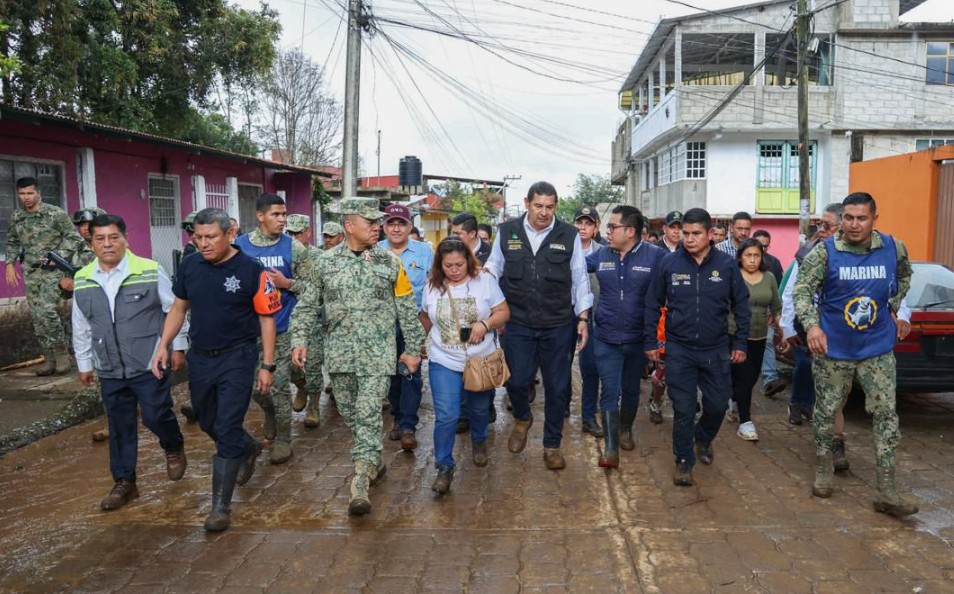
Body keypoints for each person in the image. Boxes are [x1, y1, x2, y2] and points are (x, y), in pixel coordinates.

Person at [291, 198, 424, 516]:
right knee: (352, 414)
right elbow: (308, 304)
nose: (378, 227)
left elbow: (407, 308)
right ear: (350, 226)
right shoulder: (324, 263)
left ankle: (360, 480)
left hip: (378, 355)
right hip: (339, 356)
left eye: (378, 222)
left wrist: (413, 349)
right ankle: (373, 460)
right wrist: (299, 339)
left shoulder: (390, 263)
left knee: (367, 415)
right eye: (371, 222)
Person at [151, 207, 281, 532]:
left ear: (229, 235)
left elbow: (267, 319)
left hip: (238, 357)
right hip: (201, 357)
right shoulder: (190, 264)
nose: (204, 243)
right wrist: (163, 344)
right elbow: (179, 307)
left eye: (211, 237)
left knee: (226, 425)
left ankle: (220, 507)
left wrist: (267, 364)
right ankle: (247, 446)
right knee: (207, 420)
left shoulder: (252, 271)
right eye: (198, 237)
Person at [794, 192, 918, 517]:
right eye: (848, 217)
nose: (853, 224)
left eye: (861, 218)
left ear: (874, 218)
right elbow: (802, 291)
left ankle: (887, 489)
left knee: (886, 416)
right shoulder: (826, 252)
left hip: (877, 348)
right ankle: (824, 469)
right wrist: (811, 327)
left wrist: (895, 305)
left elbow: (904, 275)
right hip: (833, 348)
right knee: (825, 411)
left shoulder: (893, 247)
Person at [72, 214, 189, 510]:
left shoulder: (149, 270)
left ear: (125, 239)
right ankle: (125, 482)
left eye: (114, 237)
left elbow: (173, 309)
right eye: (100, 239)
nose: (107, 244)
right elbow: (81, 325)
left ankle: (173, 445)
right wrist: (84, 362)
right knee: (120, 425)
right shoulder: (83, 278)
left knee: (155, 415)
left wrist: (178, 346)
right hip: (109, 366)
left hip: (149, 362)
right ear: (92, 243)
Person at [486, 181, 593, 470]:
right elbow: (494, 268)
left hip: (558, 323)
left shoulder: (568, 234)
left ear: (555, 206)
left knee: (558, 387)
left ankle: (552, 445)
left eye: (549, 206)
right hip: (518, 322)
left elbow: (580, 278)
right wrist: (491, 305)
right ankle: (522, 417)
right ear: (527, 203)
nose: (544, 212)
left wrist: (582, 317)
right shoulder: (507, 232)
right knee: (517, 381)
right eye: (538, 206)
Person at [645, 208, 750, 487]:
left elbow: (741, 305)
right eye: (685, 233)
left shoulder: (726, 265)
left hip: (715, 349)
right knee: (684, 407)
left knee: (717, 405)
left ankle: (702, 438)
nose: (688, 239)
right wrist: (650, 342)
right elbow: (652, 304)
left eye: (696, 234)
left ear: (710, 234)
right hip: (680, 349)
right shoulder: (669, 264)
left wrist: (740, 342)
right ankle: (682, 460)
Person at [420, 238, 510, 493]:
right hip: (443, 360)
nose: (455, 270)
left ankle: (479, 441)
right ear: (440, 265)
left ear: (468, 262)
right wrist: (426, 340)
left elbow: (503, 312)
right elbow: (425, 315)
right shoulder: (432, 287)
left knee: (479, 410)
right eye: (448, 266)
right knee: (447, 415)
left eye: (459, 264)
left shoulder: (484, 282)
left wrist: (484, 325)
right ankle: (444, 466)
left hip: (479, 359)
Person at [586, 205, 664, 468]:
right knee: (609, 390)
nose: (608, 232)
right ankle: (610, 449)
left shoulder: (655, 257)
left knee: (631, 390)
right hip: (606, 337)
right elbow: (572, 269)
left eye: (612, 227)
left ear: (630, 231)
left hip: (638, 339)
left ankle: (625, 429)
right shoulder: (600, 255)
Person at [234, 193, 309, 464]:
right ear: (261, 216)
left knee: (277, 385)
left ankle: (285, 439)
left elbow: (313, 287)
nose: (282, 220)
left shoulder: (294, 247)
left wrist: (287, 284)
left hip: (283, 325)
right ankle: (270, 412)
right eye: (276, 215)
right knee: (254, 388)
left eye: (284, 214)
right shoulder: (239, 246)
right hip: (248, 328)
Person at [4, 177, 85, 376]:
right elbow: (13, 241)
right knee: (37, 315)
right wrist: (9, 264)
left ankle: (61, 354)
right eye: (22, 194)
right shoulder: (17, 216)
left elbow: (73, 238)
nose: (26, 198)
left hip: (53, 272)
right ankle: (49, 359)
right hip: (31, 272)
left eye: (30, 193)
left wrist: (57, 257)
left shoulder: (54, 213)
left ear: (38, 192)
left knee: (47, 311)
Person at [378, 204, 433, 451]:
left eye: (401, 223)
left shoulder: (425, 253)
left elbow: (434, 289)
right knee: (391, 376)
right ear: (383, 227)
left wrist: (426, 325)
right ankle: (398, 418)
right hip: (382, 326)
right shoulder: (373, 252)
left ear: (410, 227)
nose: (396, 228)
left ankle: (408, 425)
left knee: (410, 373)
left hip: (414, 323)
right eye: (391, 223)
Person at [729, 238, 786, 441]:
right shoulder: (733, 276)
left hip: (760, 335)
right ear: (740, 257)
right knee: (744, 379)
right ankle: (745, 422)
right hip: (735, 334)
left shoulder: (769, 277)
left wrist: (783, 330)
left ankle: (734, 399)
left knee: (752, 378)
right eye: (748, 255)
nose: (752, 260)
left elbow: (776, 307)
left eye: (756, 256)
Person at [451, 211, 496, 430]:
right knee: (460, 365)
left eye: (458, 234)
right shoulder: (450, 252)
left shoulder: (491, 254)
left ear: (472, 233)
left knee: (485, 365)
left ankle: (486, 406)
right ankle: (463, 414)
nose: (454, 238)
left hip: (486, 321)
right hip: (457, 319)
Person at [285, 214, 325, 429]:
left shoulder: (318, 257)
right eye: (289, 233)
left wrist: (289, 283)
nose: (293, 237)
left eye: (297, 233)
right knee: (288, 366)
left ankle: (314, 405)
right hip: (285, 317)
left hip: (312, 319)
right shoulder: (281, 252)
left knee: (313, 364)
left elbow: (317, 291)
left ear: (307, 232)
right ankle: (301, 386)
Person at [572, 206, 605, 437]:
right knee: (561, 366)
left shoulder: (604, 252)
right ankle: (562, 405)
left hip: (595, 316)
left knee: (591, 367)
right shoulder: (564, 251)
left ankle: (588, 416)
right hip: (566, 316)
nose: (583, 227)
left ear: (596, 228)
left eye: (588, 223)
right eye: (579, 222)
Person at [752, 229, 787, 399]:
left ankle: (770, 380)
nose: (763, 250)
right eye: (760, 246)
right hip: (740, 318)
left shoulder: (773, 263)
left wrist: (776, 313)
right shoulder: (740, 263)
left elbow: (779, 292)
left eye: (766, 246)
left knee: (767, 342)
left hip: (766, 315)